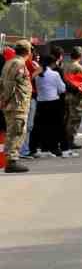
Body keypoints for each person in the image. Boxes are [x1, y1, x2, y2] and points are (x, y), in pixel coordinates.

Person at [30, 52, 69, 159]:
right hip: (53, 103)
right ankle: (61, 149)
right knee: (57, 126)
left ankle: (43, 148)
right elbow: (62, 89)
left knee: (42, 127)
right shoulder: (55, 74)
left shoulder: (37, 74)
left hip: (41, 103)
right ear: (52, 63)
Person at [2, 40, 33, 173]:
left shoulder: (10, 62)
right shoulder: (18, 64)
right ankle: (12, 161)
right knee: (16, 132)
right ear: (28, 51)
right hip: (16, 104)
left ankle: (11, 159)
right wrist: (4, 99)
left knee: (14, 132)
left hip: (15, 104)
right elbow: (9, 84)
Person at [59, 45, 82, 151]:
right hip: (76, 96)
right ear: (81, 55)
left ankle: (64, 141)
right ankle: (69, 141)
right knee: (75, 118)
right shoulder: (79, 67)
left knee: (66, 118)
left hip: (65, 95)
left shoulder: (64, 66)